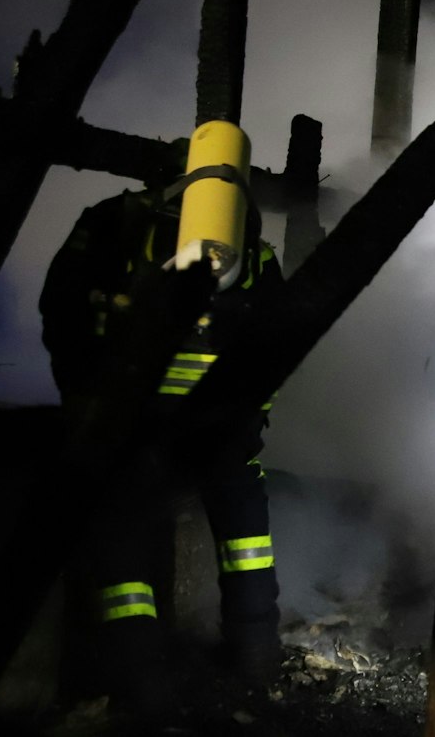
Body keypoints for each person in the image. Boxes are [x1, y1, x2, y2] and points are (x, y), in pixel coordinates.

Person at [39, 142, 285, 706]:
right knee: (246, 537)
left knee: (120, 542)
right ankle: (255, 661)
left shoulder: (112, 221)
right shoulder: (251, 245)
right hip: (221, 423)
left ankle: (138, 680)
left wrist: (81, 396)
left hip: (132, 417)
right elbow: (278, 339)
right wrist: (255, 417)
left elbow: (61, 306)